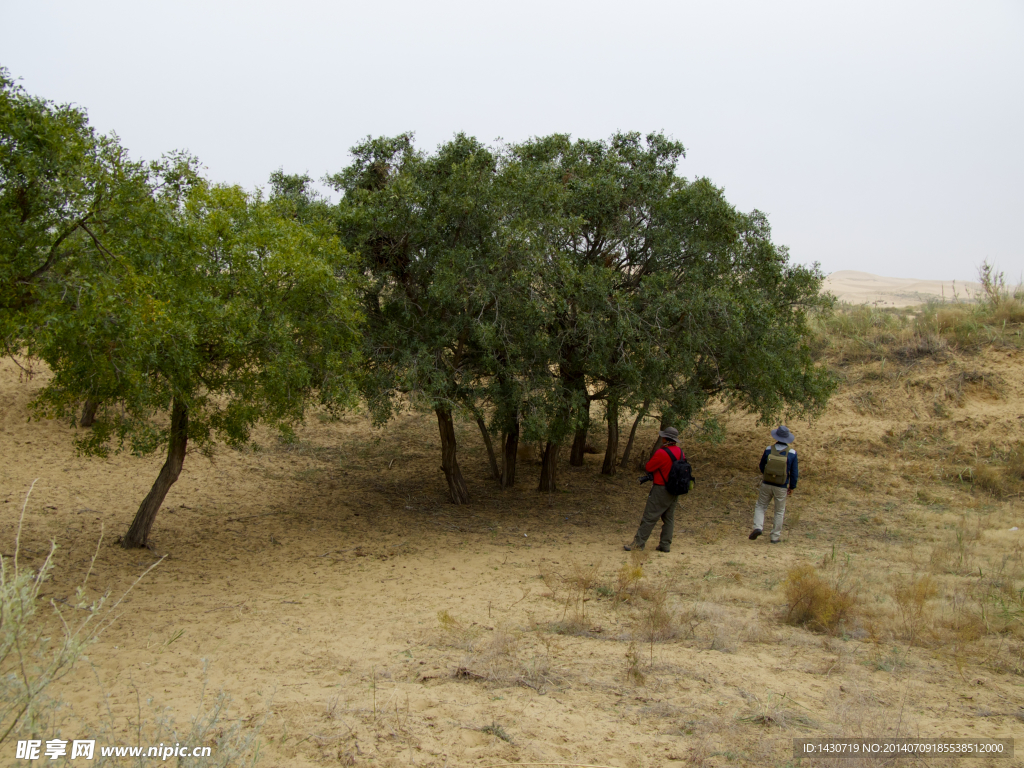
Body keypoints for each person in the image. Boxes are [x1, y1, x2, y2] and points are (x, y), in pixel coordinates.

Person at [624, 427, 684, 553]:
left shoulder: (662, 452)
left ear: (665, 438)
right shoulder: (680, 452)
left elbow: (649, 467)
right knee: (669, 518)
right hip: (675, 489)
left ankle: (638, 544)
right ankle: (665, 544)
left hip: (661, 489)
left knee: (649, 517)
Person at [749, 425, 798, 543]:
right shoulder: (792, 453)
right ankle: (775, 536)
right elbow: (794, 473)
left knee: (761, 506)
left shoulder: (768, 449)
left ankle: (758, 527)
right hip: (781, 486)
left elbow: (762, 466)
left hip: (767, 483)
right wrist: (791, 486)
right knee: (779, 511)